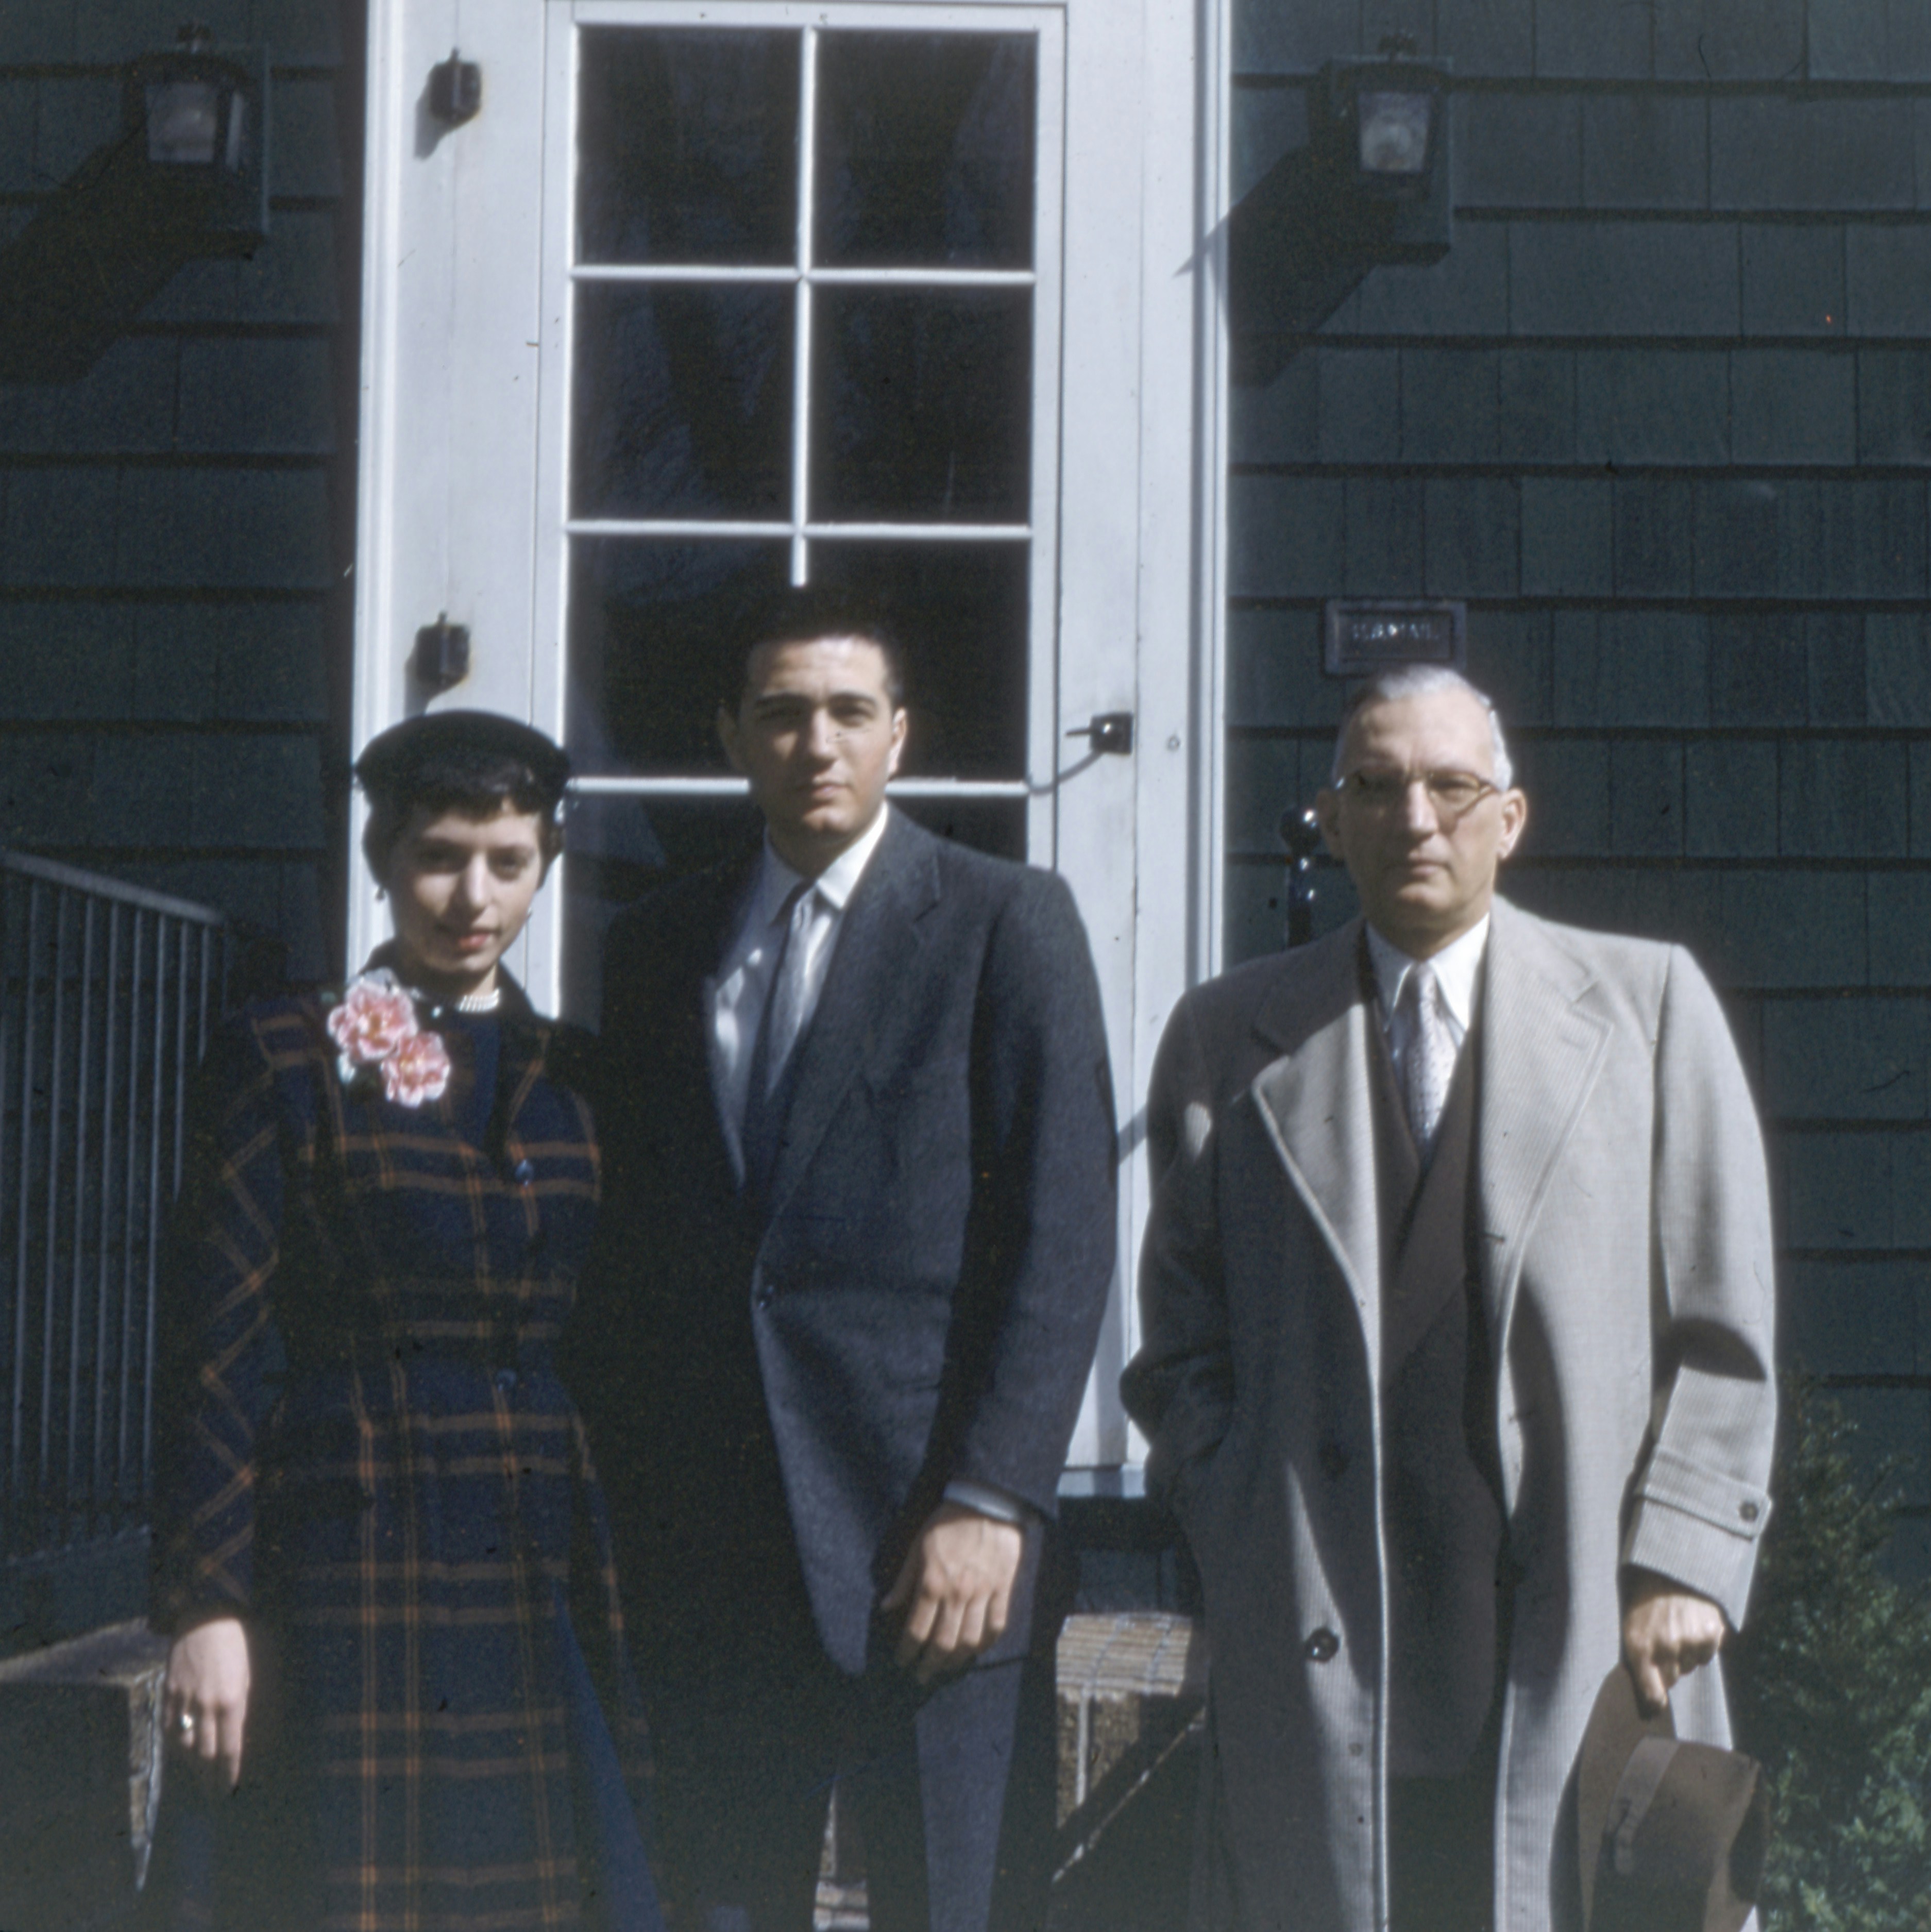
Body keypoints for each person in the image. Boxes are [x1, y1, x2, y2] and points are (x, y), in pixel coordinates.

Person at [1124, 665, 1781, 1932]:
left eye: (1448, 785)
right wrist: (1242, 1520)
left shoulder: (1642, 1010)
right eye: (1374, 787)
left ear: (1509, 817)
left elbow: (1724, 1331)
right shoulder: (1229, 1038)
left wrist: (1684, 1563)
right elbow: (1178, 1344)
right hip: (1328, 1635)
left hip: (1579, 1620)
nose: (1413, 817)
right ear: (1330, 814)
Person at [579, 587, 1115, 1932]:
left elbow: (1063, 1234)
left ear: (900, 736)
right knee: (721, 1898)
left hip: (927, 1536)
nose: (816, 741)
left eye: (848, 712)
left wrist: (995, 1493)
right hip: (713, 1543)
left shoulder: (1005, 920)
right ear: (731, 737)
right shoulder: (652, 948)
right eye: (781, 713)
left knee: (946, 1900)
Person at [148, 711, 662, 1931]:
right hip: (346, 1536)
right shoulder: (285, 1051)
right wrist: (207, 1606)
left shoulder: (582, 1077)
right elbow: (210, 1353)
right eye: (439, 855)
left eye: (508, 860)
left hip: (535, 1539)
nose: (471, 895)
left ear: (544, 867)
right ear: (383, 858)